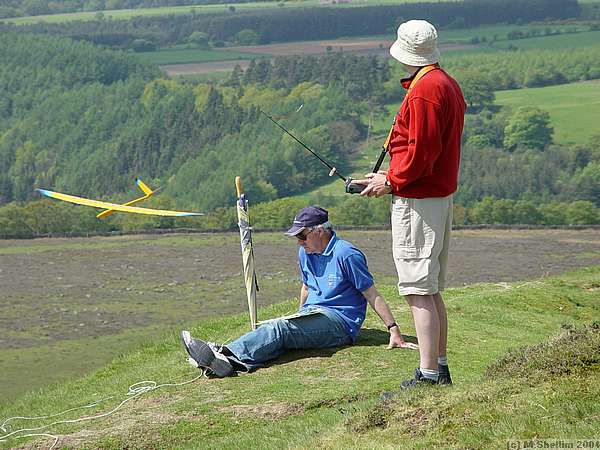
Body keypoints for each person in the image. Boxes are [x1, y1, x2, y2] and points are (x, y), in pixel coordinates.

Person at [353, 20, 466, 388]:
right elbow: (424, 151)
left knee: (417, 289)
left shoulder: (424, 91)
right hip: (434, 195)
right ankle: (440, 367)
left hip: (419, 199)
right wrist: (390, 174)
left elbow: (422, 153)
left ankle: (429, 375)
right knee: (429, 289)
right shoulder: (444, 84)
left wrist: (392, 181)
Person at [181, 205, 417, 377]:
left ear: (320, 231)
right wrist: (299, 315)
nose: (299, 242)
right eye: (297, 237)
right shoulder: (305, 253)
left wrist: (393, 330)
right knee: (282, 329)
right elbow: (306, 286)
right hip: (314, 313)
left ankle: (224, 355)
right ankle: (225, 363)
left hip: (341, 323)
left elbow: (371, 293)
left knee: (281, 329)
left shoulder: (347, 254)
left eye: (302, 236)